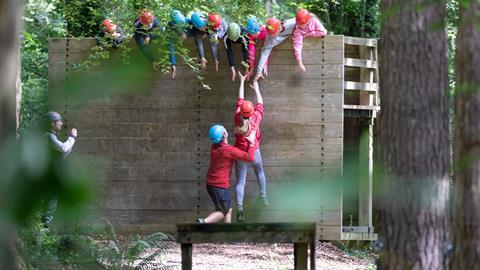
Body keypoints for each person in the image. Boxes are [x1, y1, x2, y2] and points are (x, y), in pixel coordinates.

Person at [197, 125, 256, 224]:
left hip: (212, 184)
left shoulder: (214, 147)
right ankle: (203, 222)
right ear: (224, 135)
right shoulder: (229, 150)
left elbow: (224, 147)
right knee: (223, 211)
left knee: (228, 209)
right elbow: (249, 158)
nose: (225, 129)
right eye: (224, 129)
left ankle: (227, 233)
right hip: (218, 185)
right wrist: (252, 143)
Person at [234, 73, 267, 222]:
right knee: (259, 171)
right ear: (252, 112)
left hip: (240, 154)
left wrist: (241, 82)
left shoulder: (237, 117)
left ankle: (240, 209)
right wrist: (256, 88)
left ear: (241, 112)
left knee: (240, 182)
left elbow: (240, 100)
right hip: (254, 153)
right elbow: (260, 103)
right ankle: (263, 196)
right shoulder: (256, 117)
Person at [42, 111, 78, 227]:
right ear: (53, 123)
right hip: (51, 175)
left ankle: (45, 230)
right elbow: (63, 148)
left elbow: (63, 153)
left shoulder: (51, 136)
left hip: (54, 175)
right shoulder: (48, 136)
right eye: (59, 121)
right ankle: (43, 230)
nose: (62, 123)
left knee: (53, 202)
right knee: (50, 203)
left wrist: (70, 143)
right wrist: (72, 138)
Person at [253, 16, 296, 82]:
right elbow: (264, 53)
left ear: (278, 29)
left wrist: (296, 34)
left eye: (272, 34)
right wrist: (259, 71)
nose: (270, 36)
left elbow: (307, 19)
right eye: (268, 33)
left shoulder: (291, 24)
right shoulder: (269, 38)